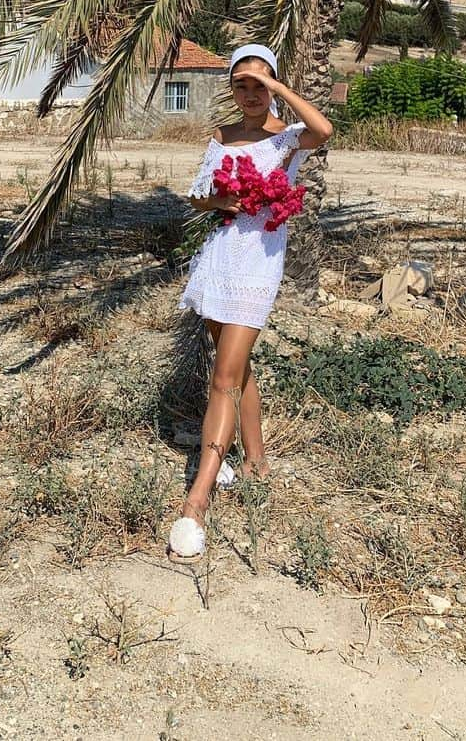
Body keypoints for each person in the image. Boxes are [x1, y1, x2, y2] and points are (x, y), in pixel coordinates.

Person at [168, 43, 334, 561]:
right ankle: (257, 463)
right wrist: (222, 200)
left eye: (260, 84)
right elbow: (197, 194)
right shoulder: (220, 138)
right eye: (241, 85)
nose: (251, 94)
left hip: (259, 264)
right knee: (238, 368)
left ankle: (199, 497)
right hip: (221, 257)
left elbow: (324, 131)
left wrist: (279, 89)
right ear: (231, 90)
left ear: (274, 86)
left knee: (223, 377)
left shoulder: (287, 139)